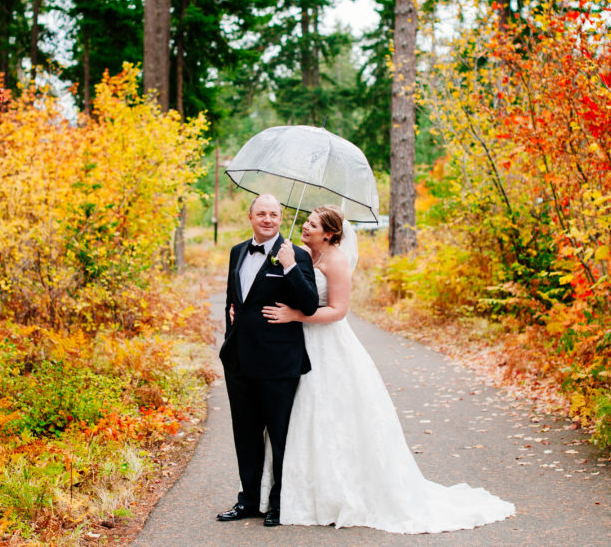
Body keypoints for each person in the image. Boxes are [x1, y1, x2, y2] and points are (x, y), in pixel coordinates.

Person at [261, 205, 515, 533]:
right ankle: (299, 492)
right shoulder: (303, 255)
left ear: (329, 234)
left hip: (329, 344)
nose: (305, 227)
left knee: (332, 414)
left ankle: (340, 493)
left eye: (312, 224)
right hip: (301, 344)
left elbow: (338, 311)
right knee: (301, 416)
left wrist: (296, 316)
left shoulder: (335, 260)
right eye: (306, 222)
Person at [216, 193, 319, 528]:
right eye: (261, 213)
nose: (268, 219)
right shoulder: (237, 251)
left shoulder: (296, 255)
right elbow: (234, 299)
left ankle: (278, 503)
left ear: (280, 217)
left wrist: (289, 266)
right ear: (251, 217)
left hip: (278, 362)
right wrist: (230, 327)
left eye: (274, 214)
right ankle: (248, 500)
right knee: (245, 434)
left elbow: (310, 305)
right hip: (239, 361)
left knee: (279, 436)